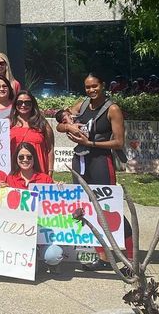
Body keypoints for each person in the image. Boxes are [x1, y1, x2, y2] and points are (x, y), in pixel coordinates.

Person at [56, 72, 133, 268]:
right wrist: (70, 128)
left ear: (103, 85)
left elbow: (119, 142)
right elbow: (59, 124)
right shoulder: (82, 105)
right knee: (85, 207)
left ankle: (131, 255)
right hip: (81, 160)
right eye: (88, 87)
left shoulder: (112, 109)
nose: (91, 90)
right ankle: (100, 256)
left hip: (100, 160)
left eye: (94, 86)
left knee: (108, 207)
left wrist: (89, 142)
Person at [10, 90, 54, 178]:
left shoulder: (42, 124)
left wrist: (50, 172)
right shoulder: (8, 123)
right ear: (15, 105)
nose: (23, 105)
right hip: (15, 171)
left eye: (27, 103)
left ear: (33, 104)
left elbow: (50, 150)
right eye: (19, 102)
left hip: (40, 171)